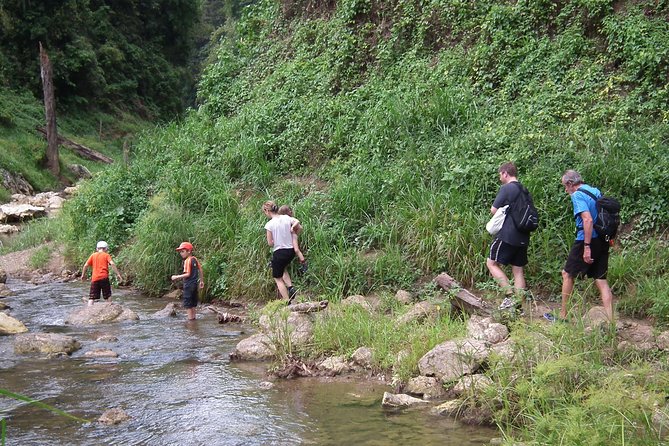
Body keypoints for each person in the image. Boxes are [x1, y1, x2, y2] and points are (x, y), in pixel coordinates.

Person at [557, 170, 614, 322]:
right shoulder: (594, 191)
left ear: (570, 184)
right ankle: (611, 320)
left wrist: (587, 246)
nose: (565, 190)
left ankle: (563, 316)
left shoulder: (577, 195)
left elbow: (587, 220)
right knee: (601, 280)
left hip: (587, 239)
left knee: (567, 274)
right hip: (603, 240)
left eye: (565, 186)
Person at [486, 162, 532, 310]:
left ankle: (509, 296)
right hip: (524, 235)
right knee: (518, 270)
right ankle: (518, 305)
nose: (500, 178)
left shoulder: (507, 188)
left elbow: (493, 210)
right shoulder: (524, 190)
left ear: (505, 173)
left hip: (508, 234)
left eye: (500, 175)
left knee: (491, 263)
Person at [263, 200, 301, 303]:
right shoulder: (286, 218)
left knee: (277, 278)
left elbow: (270, 243)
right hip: (291, 251)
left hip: (279, 252)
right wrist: (293, 228)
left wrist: (276, 239)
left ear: (267, 211)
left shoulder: (269, 224)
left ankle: (287, 302)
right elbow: (297, 222)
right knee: (282, 268)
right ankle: (290, 287)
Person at [81, 240, 123, 306]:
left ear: (97, 249)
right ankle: (109, 308)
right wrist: (118, 274)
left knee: (91, 297)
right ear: (106, 249)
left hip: (95, 278)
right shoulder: (106, 255)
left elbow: (85, 265)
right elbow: (112, 263)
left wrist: (83, 275)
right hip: (104, 278)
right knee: (108, 295)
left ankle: (89, 309)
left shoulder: (93, 255)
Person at [171, 241, 204, 321]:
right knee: (193, 304)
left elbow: (188, 274)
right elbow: (200, 270)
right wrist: (201, 281)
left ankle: (190, 321)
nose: (181, 253)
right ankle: (193, 319)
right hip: (194, 285)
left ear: (189, 251)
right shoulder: (194, 259)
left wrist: (177, 277)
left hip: (188, 285)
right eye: (180, 252)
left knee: (188, 304)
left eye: (182, 251)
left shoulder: (187, 261)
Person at [278, 205, 307, 272]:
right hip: (289, 236)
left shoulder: (290, 219)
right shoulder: (284, 220)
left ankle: (304, 264)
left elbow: (298, 223)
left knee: (296, 250)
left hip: (293, 235)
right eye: (289, 210)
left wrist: (293, 229)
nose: (291, 211)